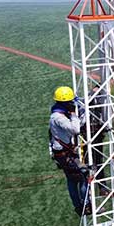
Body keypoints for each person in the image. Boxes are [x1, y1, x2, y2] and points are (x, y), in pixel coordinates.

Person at [49, 86, 90, 216]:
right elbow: (75, 129)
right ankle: (85, 206)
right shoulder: (58, 117)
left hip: (63, 153)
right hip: (64, 154)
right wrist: (73, 114)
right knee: (81, 177)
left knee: (72, 180)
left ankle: (80, 206)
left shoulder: (58, 113)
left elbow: (77, 124)